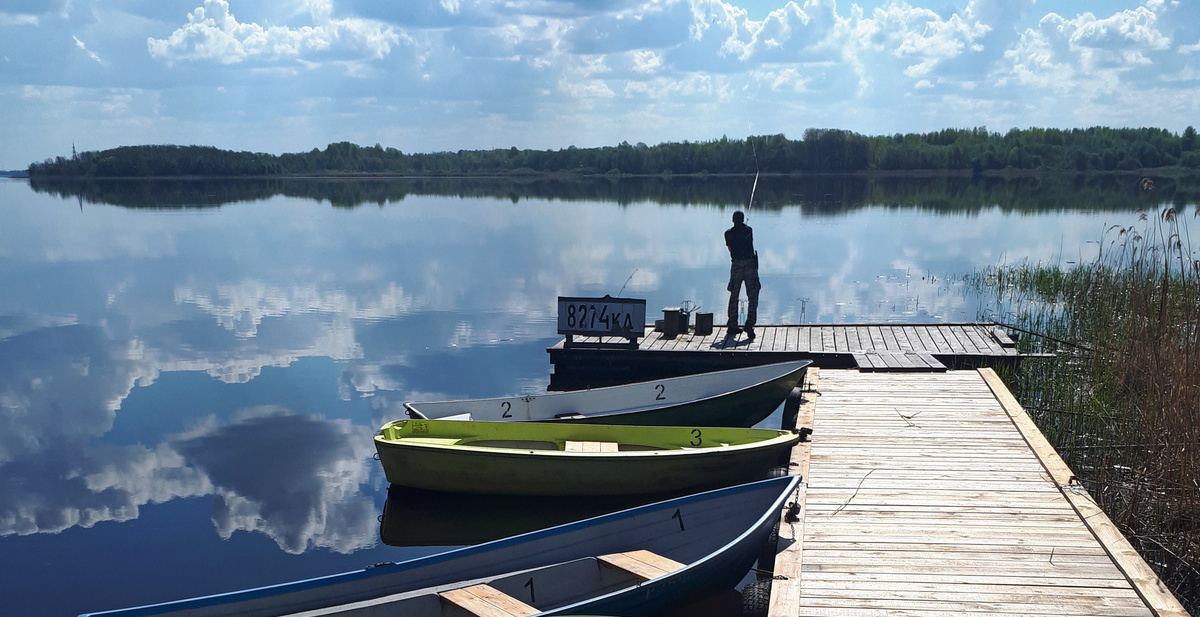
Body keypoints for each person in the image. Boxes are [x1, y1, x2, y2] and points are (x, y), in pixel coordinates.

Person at [724, 210, 760, 340]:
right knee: (753, 295)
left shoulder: (728, 233)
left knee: (734, 295)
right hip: (750, 264)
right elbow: (749, 241)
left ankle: (732, 324)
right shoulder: (748, 230)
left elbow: (730, 249)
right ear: (743, 219)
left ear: (733, 220)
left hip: (736, 265)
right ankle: (749, 324)